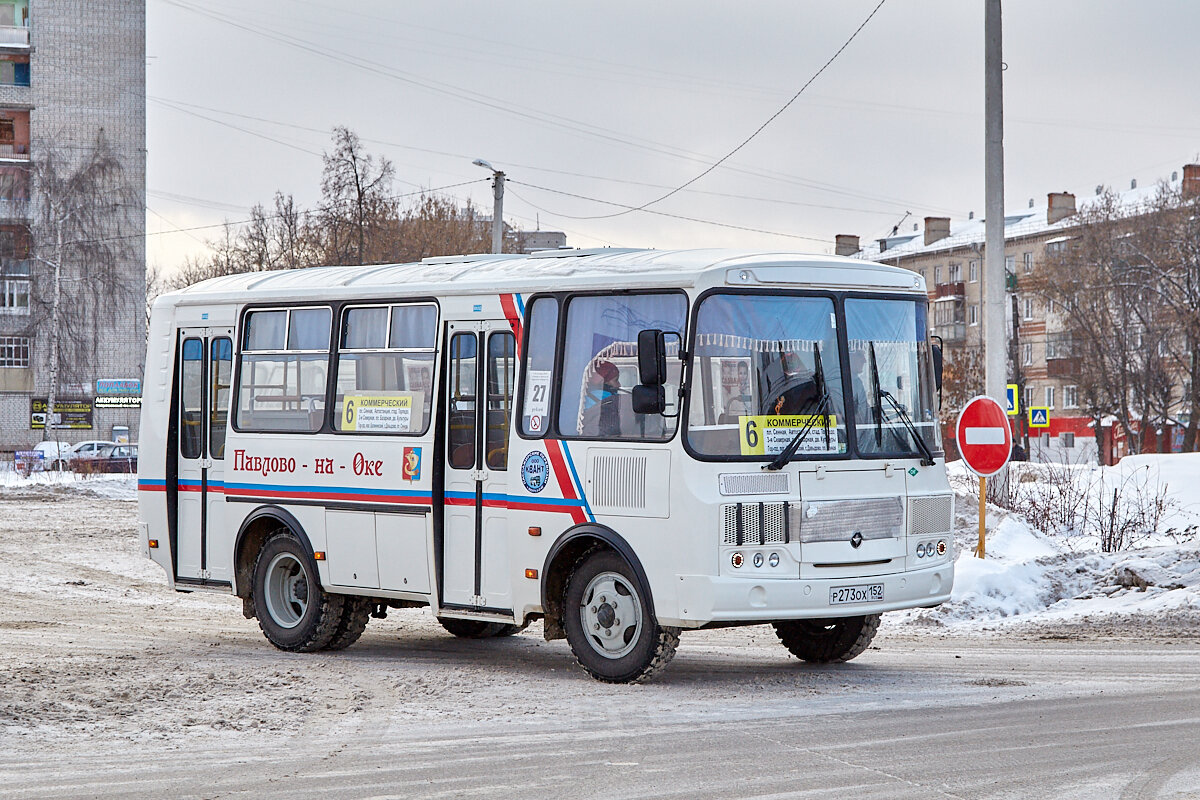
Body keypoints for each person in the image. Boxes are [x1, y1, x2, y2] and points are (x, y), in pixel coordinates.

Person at [770, 350, 818, 415]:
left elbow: (831, 410)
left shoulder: (815, 386)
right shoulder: (776, 390)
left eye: (793, 358)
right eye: (787, 359)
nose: (790, 362)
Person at [582, 359, 621, 436]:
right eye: (616, 380)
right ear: (603, 382)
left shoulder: (584, 398)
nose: (619, 385)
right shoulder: (609, 399)